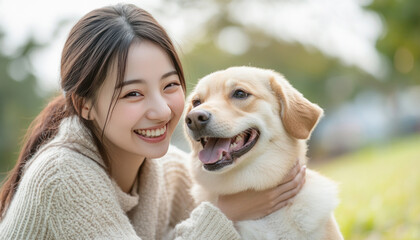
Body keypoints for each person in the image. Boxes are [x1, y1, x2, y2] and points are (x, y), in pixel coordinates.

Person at [0, 4, 306, 239]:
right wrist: (225, 214)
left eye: (170, 85)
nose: (161, 111)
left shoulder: (171, 171)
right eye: (133, 93)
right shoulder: (63, 175)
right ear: (84, 106)